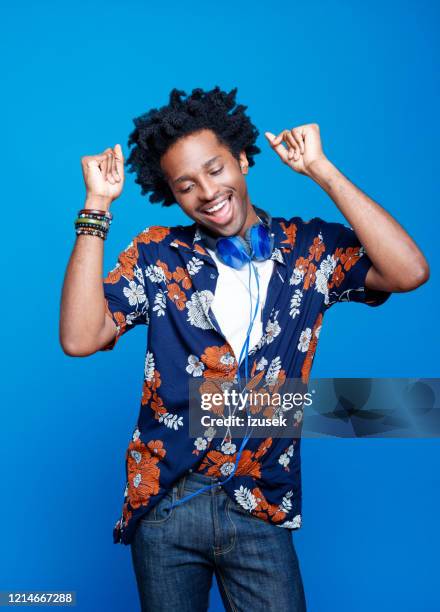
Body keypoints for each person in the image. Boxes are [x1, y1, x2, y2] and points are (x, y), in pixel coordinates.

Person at [59, 86, 429, 611]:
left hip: (260, 503)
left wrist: (321, 170)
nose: (206, 192)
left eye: (215, 170)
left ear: (243, 158)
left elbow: (409, 272)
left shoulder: (310, 250)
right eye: (185, 185)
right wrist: (96, 204)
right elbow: (78, 338)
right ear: (172, 195)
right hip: (167, 505)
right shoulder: (158, 255)